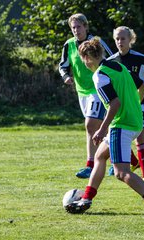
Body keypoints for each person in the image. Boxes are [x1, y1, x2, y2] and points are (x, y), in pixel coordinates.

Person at [66, 37, 144, 217]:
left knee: (121, 173)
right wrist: (135, 103)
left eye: (83, 59)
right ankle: (87, 198)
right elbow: (142, 84)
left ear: (88, 58)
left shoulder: (100, 75)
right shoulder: (119, 66)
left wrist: (102, 128)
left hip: (121, 125)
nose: (83, 63)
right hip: (135, 121)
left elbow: (115, 104)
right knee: (100, 156)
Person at [59, 13, 113, 178]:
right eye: (73, 28)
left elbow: (113, 59)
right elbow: (63, 65)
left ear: (86, 26)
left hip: (98, 89)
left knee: (91, 125)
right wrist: (66, 76)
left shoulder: (96, 42)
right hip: (82, 92)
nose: (76, 30)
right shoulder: (69, 45)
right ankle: (123, 158)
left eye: (79, 27)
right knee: (100, 128)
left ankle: (91, 164)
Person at [107, 26, 144, 183]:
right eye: (117, 38)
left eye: (123, 38)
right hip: (120, 106)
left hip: (139, 105)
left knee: (140, 138)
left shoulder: (140, 59)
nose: (119, 42)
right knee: (116, 136)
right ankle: (128, 163)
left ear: (130, 39)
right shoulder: (111, 62)